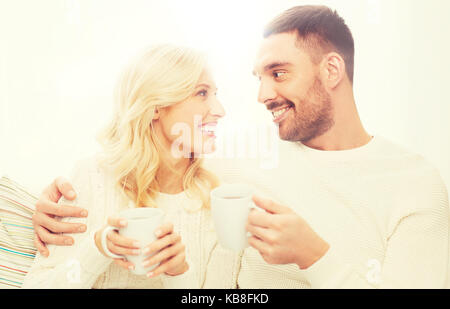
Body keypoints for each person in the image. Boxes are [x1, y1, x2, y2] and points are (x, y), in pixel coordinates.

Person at [32, 5, 449, 289]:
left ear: (332, 69)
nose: (261, 94)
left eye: (279, 73)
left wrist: (316, 256)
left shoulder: (415, 185)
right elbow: (147, 165)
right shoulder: (231, 167)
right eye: (258, 77)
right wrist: (49, 204)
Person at [22, 44, 240, 288]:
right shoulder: (92, 178)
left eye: (215, 94)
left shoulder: (221, 201)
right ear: (155, 106)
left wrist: (178, 274)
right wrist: (97, 249)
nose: (220, 111)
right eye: (202, 93)